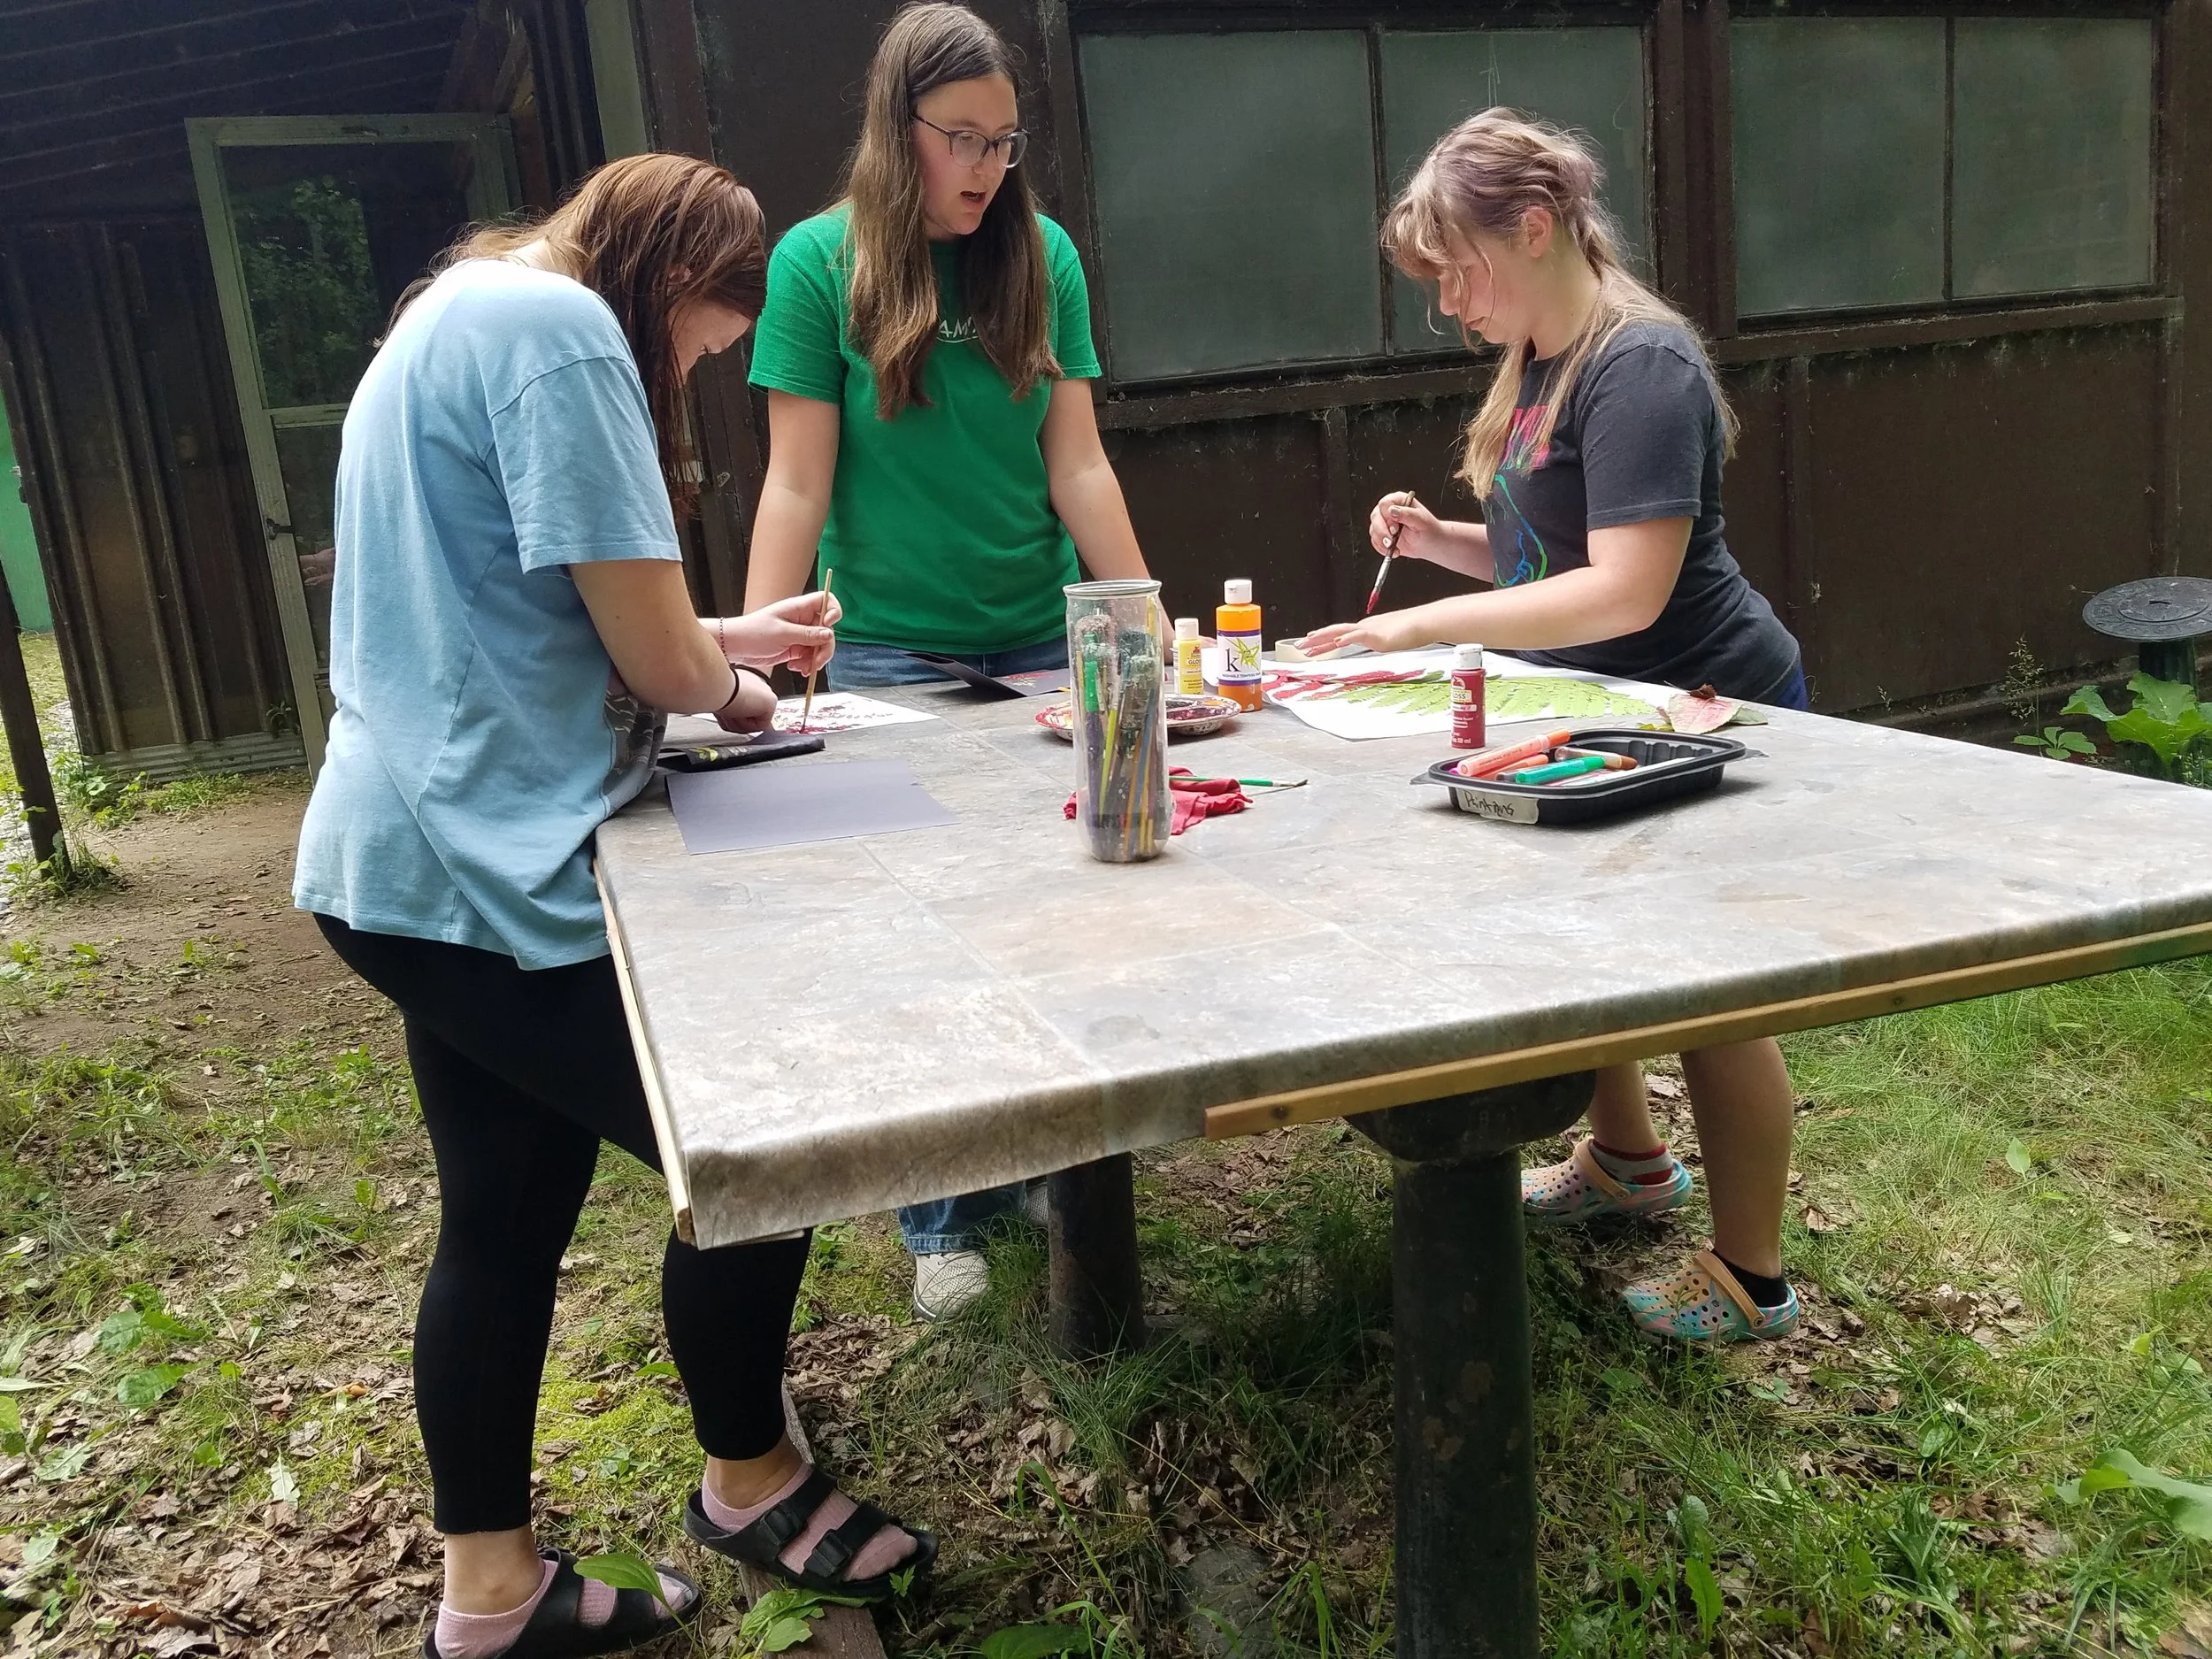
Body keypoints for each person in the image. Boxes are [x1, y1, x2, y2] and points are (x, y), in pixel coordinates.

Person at [292, 154, 933, 1659]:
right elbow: (654, 668)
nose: (701, 363)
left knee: (505, 1216)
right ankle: (750, 1480)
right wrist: (746, 689)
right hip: (482, 860)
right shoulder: (565, 331)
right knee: (768, 1139)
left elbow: (511, 603)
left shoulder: (451, 308)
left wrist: (717, 628)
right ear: (667, 280)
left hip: (404, 855)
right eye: (708, 337)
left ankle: (492, 1592)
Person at [1301, 111, 1805, 1344]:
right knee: (1594, 948)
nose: (1449, 303)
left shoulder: (1645, 366)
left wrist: (1419, 632)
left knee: (1713, 994)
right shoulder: (1540, 355)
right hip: (1607, 711)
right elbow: (1555, 554)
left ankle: (1752, 1278)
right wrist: (1438, 548)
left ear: (1534, 229)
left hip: (1704, 709)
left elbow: (1627, 587)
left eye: (1457, 270)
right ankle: (1629, 1163)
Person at [742, 2, 1155, 1320]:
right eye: (959, 139)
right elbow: (796, 485)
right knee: (926, 932)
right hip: (890, 649)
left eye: (1004, 140)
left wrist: (1137, 622)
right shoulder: (821, 265)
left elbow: (1077, 459)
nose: (984, 167)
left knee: (1069, 905)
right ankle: (940, 1213)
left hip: (1043, 634)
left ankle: (1056, 1166)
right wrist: (757, 672)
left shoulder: (1044, 257)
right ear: (897, 128)